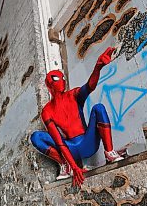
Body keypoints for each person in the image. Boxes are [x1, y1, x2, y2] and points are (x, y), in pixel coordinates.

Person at [30, 47, 123, 186]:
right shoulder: (47, 111)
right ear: (49, 85)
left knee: (98, 108)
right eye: (56, 78)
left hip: (87, 142)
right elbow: (59, 141)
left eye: (62, 77)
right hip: (70, 148)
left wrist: (98, 67)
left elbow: (89, 86)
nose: (61, 80)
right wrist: (74, 167)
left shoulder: (73, 95)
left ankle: (109, 152)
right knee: (36, 137)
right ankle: (64, 165)